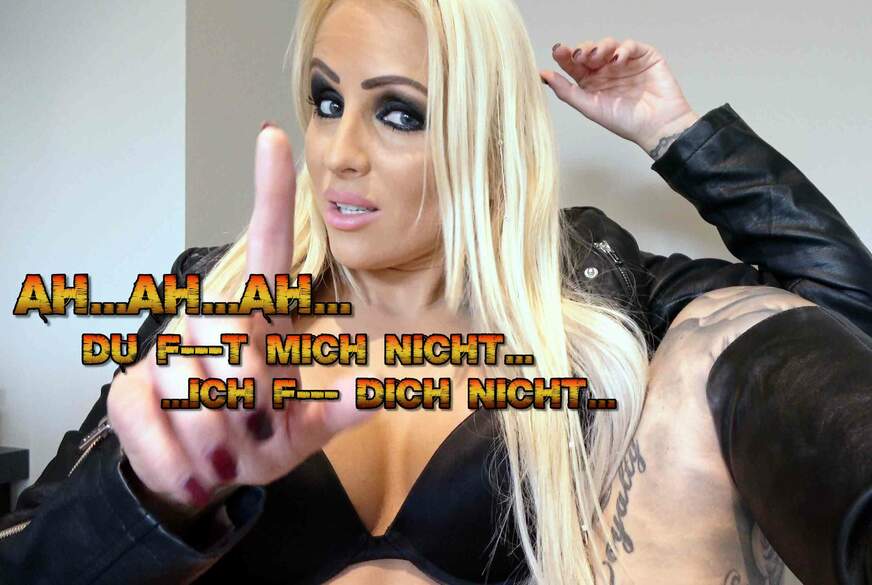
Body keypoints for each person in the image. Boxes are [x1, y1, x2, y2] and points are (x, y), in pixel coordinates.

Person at [1, 0, 870, 583]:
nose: (339, 153)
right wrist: (154, 499)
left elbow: (831, 324)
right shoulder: (217, 299)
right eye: (326, 100)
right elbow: (26, 556)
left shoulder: (589, 282)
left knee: (739, 324)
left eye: (398, 113)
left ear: (482, 138)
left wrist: (678, 133)